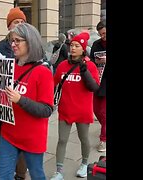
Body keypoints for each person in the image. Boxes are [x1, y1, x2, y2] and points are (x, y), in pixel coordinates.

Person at [0, 23, 54, 180]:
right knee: (3, 175)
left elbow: (46, 110)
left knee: (36, 174)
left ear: (30, 42)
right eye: (12, 41)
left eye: (17, 41)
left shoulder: (43, 72)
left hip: (32, 137)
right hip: (8, 133)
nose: (13, 45)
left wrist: (20, 99)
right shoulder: (9, 66)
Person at [51, 32, 100, 179]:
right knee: (62, 140)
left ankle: (85, 164)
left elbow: (94, 87)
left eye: (77, 46)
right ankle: (59, 171)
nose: (73, 48)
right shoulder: (62, 66)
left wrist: (84, 72)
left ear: (83, 48)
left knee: (84, 139)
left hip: (82, 111)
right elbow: (53, 84)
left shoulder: (90, 66)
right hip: (65, 110)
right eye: (71, 45)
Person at [0, 7, 28, 180]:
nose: (20, 25)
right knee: (8, 139)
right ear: (9, 26)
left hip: (22, 98)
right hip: (5, 102)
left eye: (23, 22)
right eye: (16, 22)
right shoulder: (1, 46)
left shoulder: (30, 44)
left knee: (22, 142)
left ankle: (21, 174)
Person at [90, 20, 107, 152]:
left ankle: (103, 139)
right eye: (101, 34)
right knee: (97, 110)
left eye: (105, 33)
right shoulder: (96, 44)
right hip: (98, 80)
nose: (103, 36)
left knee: (104, 112)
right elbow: (91, 62)